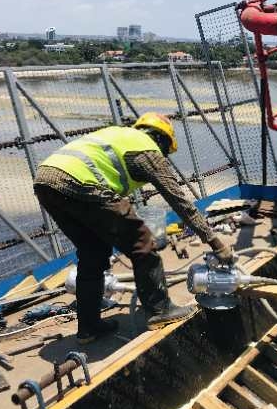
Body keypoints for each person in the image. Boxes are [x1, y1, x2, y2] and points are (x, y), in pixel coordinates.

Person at [33, 112, 234, 344]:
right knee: (142, 242)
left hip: (46, 180)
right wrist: (215, 243)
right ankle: (160, 310)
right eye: (166, 152)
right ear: (162, 139)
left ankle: (88, 327)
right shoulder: (147, 149)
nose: (164, 157)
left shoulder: (120, 135)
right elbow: (178, 200)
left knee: (92, 253)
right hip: (81, 183)